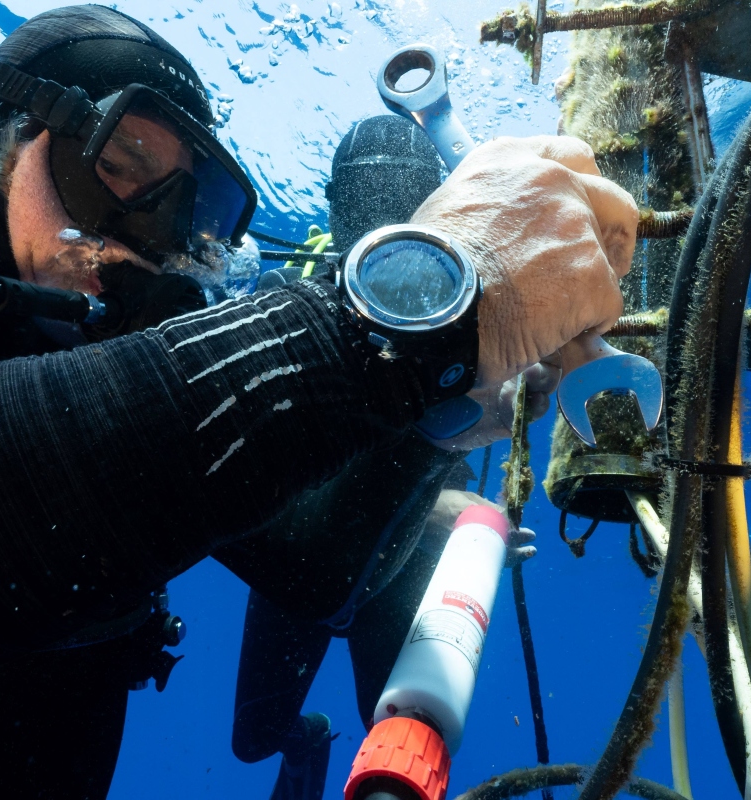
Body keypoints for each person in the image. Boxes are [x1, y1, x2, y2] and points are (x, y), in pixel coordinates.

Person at [0, 4, 637, 798]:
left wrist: (434, 414)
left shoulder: (146, 401)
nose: (146, 237)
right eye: (120, 165)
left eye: (195, 210)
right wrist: (389, 326)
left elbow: (318, 568)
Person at [219, 115, 545, 800]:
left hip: (405, 555)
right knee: (254, 740)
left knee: (393, 734)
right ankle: (307, 742)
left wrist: (470, 527)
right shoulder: (285, 303)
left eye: (398, 207)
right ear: (340, 214)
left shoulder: (470, 318)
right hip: (306, 544)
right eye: (367, 209)